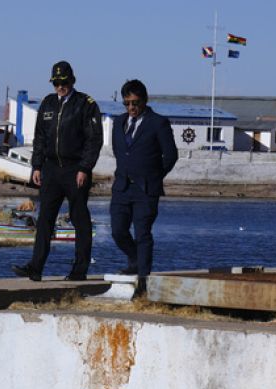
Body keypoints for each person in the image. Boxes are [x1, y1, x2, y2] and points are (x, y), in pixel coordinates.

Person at [11, 60, 103, 282]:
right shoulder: (48, 103)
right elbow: (40, 137)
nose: (60, 86)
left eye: (64, 82)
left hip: (75, 170)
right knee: (45, 219)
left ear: (72, 80)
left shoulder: (86, 104)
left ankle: (79, 270)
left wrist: (84, 168)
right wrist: (37, 165)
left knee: (79, 219)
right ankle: (35, 267)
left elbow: (94, 140)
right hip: (51, 170)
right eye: (56, 82)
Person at [110, 79, 178, 295]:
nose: (131, 107)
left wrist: (155, 177)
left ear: (144, 101)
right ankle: (135, 259)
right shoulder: (118, 122)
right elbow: (120, 151)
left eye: (135, 103)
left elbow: (171, 155)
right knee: (118, 231)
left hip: (145, 189)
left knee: (142, 234)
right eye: (127, 103)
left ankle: (143, 279)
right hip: (121, 187)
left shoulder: (158, 123)